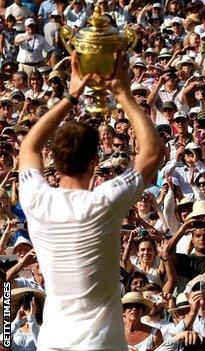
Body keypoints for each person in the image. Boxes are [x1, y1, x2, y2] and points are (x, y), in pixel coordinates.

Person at [17, 53, 165, 349]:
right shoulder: (103, 202)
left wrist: (71, 95)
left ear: (54, 161)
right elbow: (152, 153)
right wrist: (123, 93)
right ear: (95, 161)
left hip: (52, 341)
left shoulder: (35, 198)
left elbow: (29, 144)